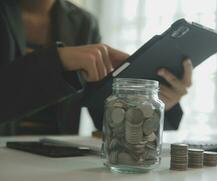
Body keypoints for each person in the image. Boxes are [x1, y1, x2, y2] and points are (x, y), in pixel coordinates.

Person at [0, 0, 193, 135]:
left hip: (56, 165)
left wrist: (151, 106)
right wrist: (57, 61)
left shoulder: (83, 23)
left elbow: (105, 116)